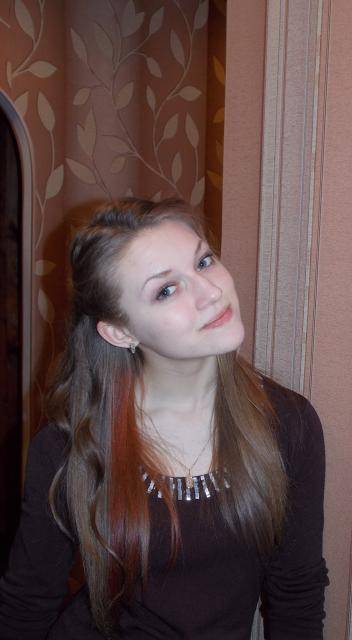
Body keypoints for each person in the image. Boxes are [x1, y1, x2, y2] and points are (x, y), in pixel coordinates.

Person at [0, 198, 329, 639]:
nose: (211, 292)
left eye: (204, 261)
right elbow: (27, 603)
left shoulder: (289, 424)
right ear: (121, 331)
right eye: (167, 290)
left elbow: (297, 595)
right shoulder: (68, 447)